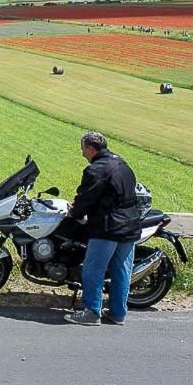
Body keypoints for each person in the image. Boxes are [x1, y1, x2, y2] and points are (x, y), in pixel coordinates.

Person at [64, 131, 141, 326]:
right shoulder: (122, 163)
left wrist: (73, 213)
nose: (82, 153)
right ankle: (117, 313)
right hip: (130, 225)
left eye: (83, 149)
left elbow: (86, 198)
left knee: (93, 270)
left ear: (90, 149)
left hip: (108, 227)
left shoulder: (96, 169)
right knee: (121, 271)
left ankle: (91, 312)